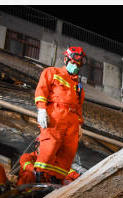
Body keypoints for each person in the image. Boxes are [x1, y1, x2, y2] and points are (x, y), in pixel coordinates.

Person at [34, 46, 86, 184]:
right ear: (66, 59)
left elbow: (79, 106)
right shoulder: (52, 72)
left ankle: (56, 181)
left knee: (68, 152)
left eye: (78, 64)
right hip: (55, 116)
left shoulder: (78, 86)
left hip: (72, 120)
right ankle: (40, 179)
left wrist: (79, 125)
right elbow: (42, 89)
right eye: (73, 63)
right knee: (49, 147)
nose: (75, 66)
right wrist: (41, 109)